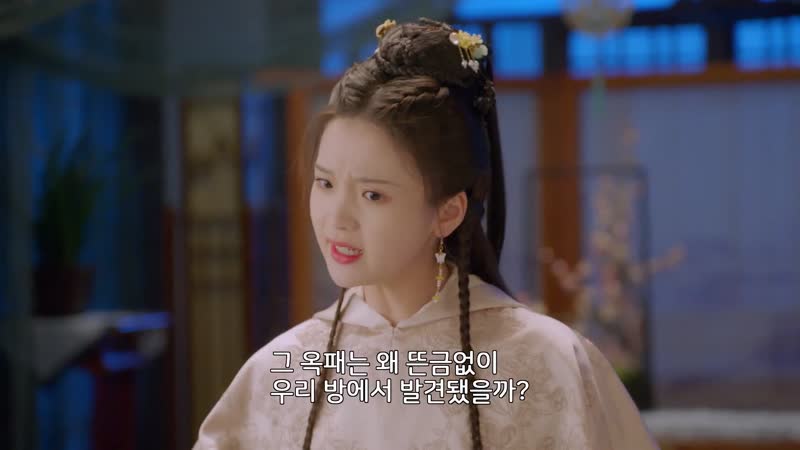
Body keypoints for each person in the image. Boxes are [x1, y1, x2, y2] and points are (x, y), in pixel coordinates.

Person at [193, 18, 659, 450]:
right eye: (325, 183)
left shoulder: (546, 363)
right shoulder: (281, 371)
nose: (337, 218)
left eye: (373, 194)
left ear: (448, 212)